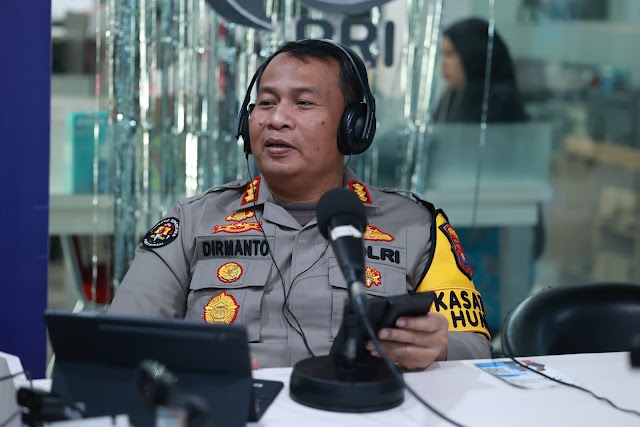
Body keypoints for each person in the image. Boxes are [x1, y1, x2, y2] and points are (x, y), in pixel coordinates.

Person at [108, 38, 492, 370]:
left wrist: (439, 346)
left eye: (304, 103)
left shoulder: (416, 225)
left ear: (353, 126)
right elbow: (118, 339)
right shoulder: (193, 221)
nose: (277, 119)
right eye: (266, 103)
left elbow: (475, 347)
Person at [434, 17, 528, 123]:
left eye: (449, 54)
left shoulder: (497, 104)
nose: (443, 64)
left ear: (473, 55)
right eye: (443, 55)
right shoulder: (453, 96)